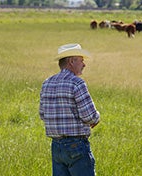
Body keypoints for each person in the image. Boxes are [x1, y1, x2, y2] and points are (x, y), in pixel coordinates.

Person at [39, 43, 100, 176]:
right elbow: (90, 117)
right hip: (76, 145)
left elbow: (43, 114)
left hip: (56, 146)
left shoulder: (47, 82)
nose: (84, 64)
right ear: (71, 61)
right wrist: (97, 117)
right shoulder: (77, 83)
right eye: (81, 60)